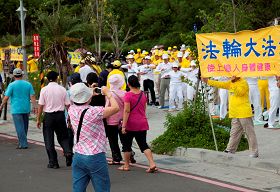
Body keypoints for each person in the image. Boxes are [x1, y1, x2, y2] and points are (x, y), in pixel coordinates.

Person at [68, 83, 119, 192]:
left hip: (78, 154)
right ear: (88, 97)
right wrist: (108, 94)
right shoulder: (94, 111)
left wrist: (90, 91)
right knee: (102, 188)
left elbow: (79, 98)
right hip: (95, 155)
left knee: (78, 188)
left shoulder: (71, 109)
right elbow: (115, 108)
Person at [202, 76, 259, 158]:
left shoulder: (243, 82)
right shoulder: (231, 83)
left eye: (233, 75)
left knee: (249, 133)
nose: (231, 76)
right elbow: (221, 84)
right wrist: (208, 81)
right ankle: (230, 150)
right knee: (234, 133)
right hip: (235, 113)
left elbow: (240, 92)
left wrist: (232, 83)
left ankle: (254, 152)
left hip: (244, 113)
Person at [119, 75, 157, 172]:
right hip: (142, 122)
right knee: (143, 145)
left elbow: (127, 111)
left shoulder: (128, 95)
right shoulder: (143, 94)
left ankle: (126, 165)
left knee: (126, 145)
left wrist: (123, 126)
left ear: (128, 84)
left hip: (131, 124)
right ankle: (152, 163)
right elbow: (144, 109)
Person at [37, 71, 73, 169]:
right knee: (63, 136)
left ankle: (53, 162)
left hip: (48, 116)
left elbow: (40, 105)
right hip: (60, 116)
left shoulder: (44, 90)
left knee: (49, 138)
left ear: (47, 79)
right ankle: (68, 152)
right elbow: (68, 105)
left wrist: (38, 119)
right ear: (57, 78)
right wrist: (70, 118)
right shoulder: (62, 89)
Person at [0, 68, 36, 149]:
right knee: (25, 126)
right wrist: (35, 107)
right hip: (26, 108)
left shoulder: (11, 85)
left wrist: (1, 105)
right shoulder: (28, 84)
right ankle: (22, 141)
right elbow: (32, 96)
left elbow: (6, 97)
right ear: (22, 75)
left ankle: (23, 144)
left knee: (19, 127)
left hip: (16, 109)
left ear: (14, 75)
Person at [105, 74, 126, 164]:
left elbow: (107, 107)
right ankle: (129, 153)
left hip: (111, 121)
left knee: (113, 140)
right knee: (124, 139)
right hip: (122, 120)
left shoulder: (109, 94)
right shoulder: (124, 93)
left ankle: (116, 158)